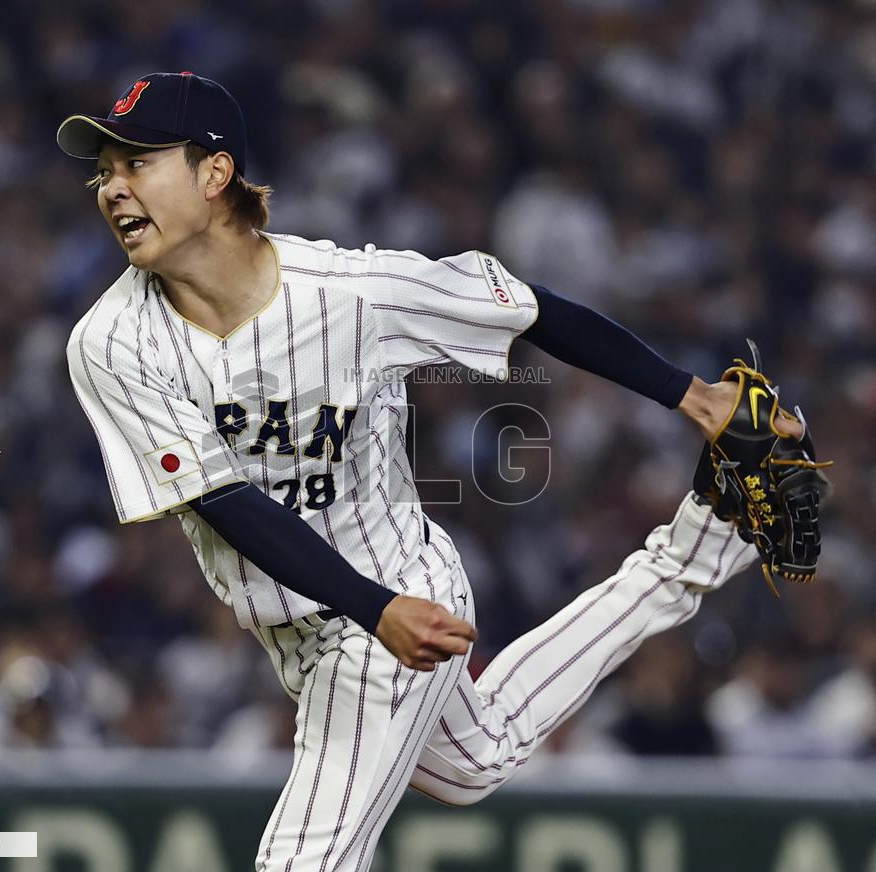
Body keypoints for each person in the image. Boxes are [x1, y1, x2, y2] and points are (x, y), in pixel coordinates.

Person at [57, 72, 803, 871]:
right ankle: (713, 533)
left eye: (137, 161)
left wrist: (693, 395)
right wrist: (372, 609)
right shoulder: (110, 344)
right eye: (105, 168)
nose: (112, 187)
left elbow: (532, 311)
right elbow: (226, 503)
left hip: (395, 592)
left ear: (214, 172)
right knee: (475, 761)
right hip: (324, 626)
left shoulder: (352, 291)